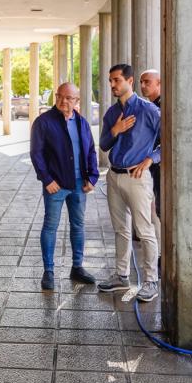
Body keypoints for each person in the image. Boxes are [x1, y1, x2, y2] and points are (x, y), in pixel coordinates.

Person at [98, 64, 161, 302]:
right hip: (113, 176)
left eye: (116, 80)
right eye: (110, 81)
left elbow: (169, 138)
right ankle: (121, 276)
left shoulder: (149, 110)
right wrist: (115, 130)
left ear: (130, 81)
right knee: (120, 230)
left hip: (136, 177)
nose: (113, 85)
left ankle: (150, 281)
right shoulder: (112, 113)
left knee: (145, 231)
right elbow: (104, 145)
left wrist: (150, 159)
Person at [30, 83, 99, 291]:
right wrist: (46, 179)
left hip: (79, 185)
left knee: (78, 226)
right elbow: (36, 153)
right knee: (50, 226)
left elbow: (91, 151)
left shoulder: (82, 123)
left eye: (69, 98)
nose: (63, 101)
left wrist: (92, 177)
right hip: (56, 185)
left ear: (77, 100)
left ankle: (77, 267)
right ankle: (48, 271)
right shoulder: (43, 122)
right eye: (60, 96)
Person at [139, 69, 161, 272]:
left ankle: (161, 258)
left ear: (159, 83)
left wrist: (152, 158)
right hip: (147, 169)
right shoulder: (144, 107)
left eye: (148, 82)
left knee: (160, 212)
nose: (143, 85)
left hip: (159, 167)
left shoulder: (163, 107)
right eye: (141, 82)